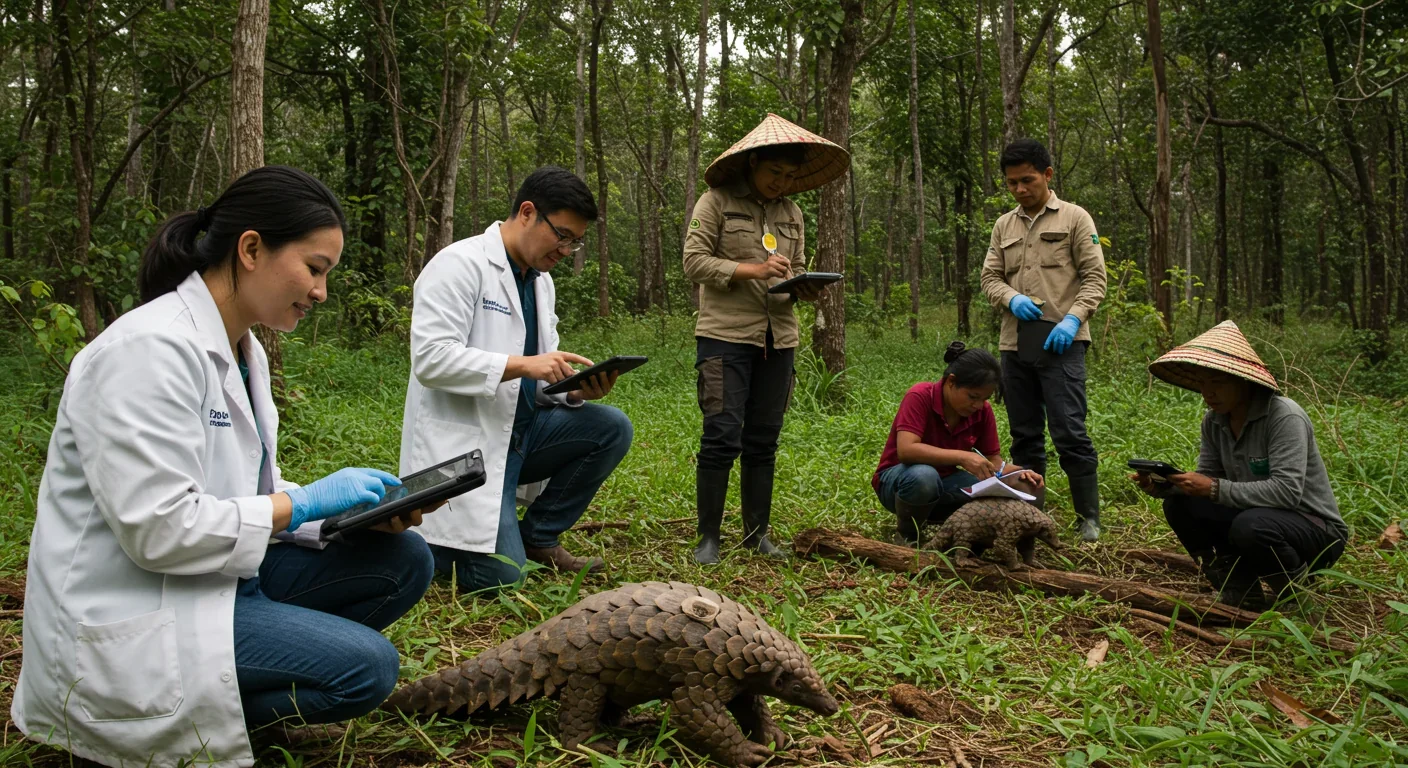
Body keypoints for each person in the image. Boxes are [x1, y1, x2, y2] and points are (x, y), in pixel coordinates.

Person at [12, 166, 437, 768]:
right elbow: (159, 529)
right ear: (252, 249)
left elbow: (239, 489)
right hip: (137, 607)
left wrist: (339, 514)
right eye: (314, 269)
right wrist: (305, 502)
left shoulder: (243, 349)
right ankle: (182, 724)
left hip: (216, 583)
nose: (320, 292)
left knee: (404, 559)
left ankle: (226, 699)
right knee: (367, 670)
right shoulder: (148, 350)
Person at [401, 166, 633, 592]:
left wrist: (574, 388)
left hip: (521, 436)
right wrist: (524, 365)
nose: (567, 250)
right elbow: (431, 360)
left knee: (611, 427)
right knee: (502, 579)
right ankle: (433, 547)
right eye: (561, 235)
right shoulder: (459, 264)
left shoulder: (540, 284)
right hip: (467, 447)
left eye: (575, 242)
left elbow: (539, 376)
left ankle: (539, 536)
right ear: (527, 212)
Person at [682, 112, 850, 564]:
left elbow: (790, 269)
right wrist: (751, 269)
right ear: (752, 163)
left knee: (764, 438)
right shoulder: (714, 202)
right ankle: (708, 540)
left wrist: (803, 287)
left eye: (790, 175)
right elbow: (694, 263)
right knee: (720, 434)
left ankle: (757, 534)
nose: (782, 182)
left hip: (780, 338)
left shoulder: (791, 213)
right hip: (725, 336)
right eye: (774, 172)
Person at [1131, 321, 1349, 609]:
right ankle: (1240, 590)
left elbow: (1286, 493)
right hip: (1257, 519)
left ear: (1244, 380)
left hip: (1315, 530)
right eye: (1203, 383)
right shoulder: (1214, 421)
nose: (1209, 393)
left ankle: (1298, 597)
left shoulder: (1284, 417)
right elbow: (1209, 483)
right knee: (1181, 507)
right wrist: (1166, 486)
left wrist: (1211, 487)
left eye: (1218, 383)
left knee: (1251, 525)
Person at [979, 138, 1107, 541]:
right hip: (1015, 345)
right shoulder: (1004, 225)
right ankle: (1033, 514)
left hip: (1063, 343)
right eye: (1012, 183)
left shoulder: (1075, 219)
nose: (1020, 189)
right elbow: (989, 278)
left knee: (1069, 429)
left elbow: (1095, 279)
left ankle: (1089, 517)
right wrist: (1010, 297)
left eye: (1027, 180)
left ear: (1048, 175)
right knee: (1024, 432)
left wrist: (1072, 320)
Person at [872, 342, 1045, 545]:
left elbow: (994, 461)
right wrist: (963, 456)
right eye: (973, 397)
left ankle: (975, 541)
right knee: (924, 477)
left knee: (1015, 487)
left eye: (984, 399)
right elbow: (906, 449)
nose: (978, 405)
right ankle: (907, 535)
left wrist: (1020, 474)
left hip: (946, 483)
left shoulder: (982, 411)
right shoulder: (920, 396)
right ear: (951, 382)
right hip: (900, 482)